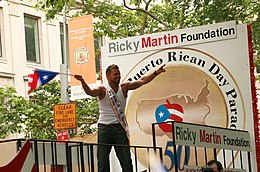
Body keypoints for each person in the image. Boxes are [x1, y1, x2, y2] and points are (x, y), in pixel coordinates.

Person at [74, 64, 166, 172]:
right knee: (103, 162)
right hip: (104, 128)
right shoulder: (103, 90)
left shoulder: (124, 87)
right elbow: (90, 92)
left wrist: (155, 73)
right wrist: (82, 81)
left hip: (119, 128)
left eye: (119, 74)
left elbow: (142, 81)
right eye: (115, 74)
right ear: (108, 76)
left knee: (126, 161)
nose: (118, 76)